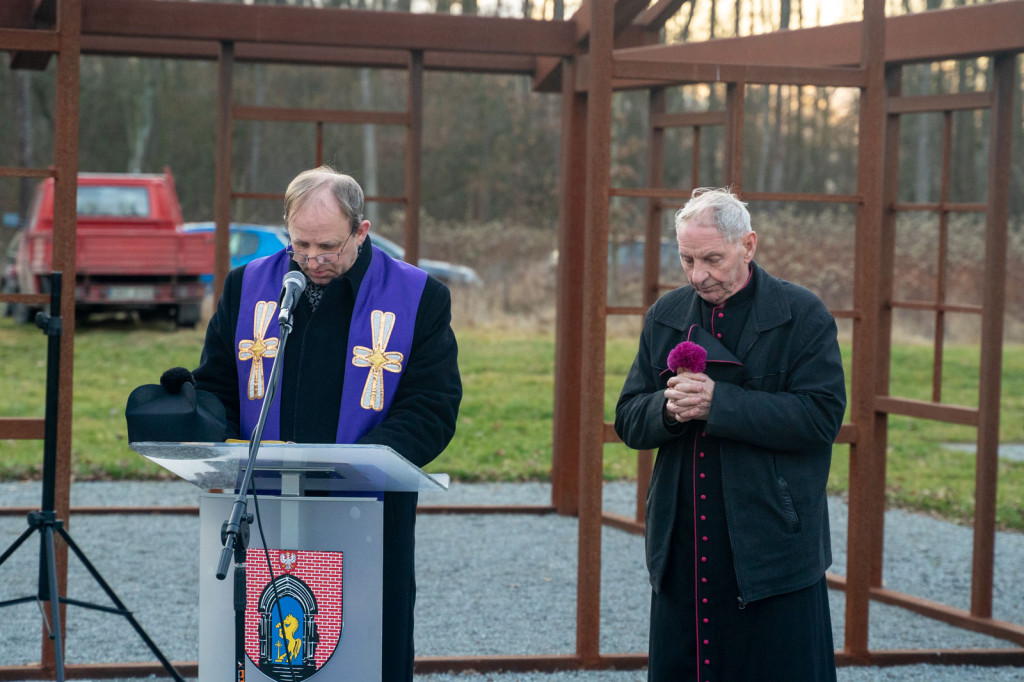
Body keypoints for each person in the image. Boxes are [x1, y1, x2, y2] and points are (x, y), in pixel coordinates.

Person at [192, 165, 462, 681]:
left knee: (364, 645)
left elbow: (432, 405)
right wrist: (189, 411)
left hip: (367, 507)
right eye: (301, 245)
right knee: (271, 647)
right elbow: (220, 386)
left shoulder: (418, 296)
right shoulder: (248, 285)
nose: (313, 260)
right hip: (265, 502)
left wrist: (358, 465)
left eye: (329, 247)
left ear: (361, 231)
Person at [614, 187, 846, 681]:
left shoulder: (802, 314)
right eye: (687, 259)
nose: (699, 275)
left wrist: (721, 403)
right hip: (683, 541)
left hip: (773, 541)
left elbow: (820, 418)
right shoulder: (666, 315)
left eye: (713, 259)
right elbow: (629, 418)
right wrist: (668, 409)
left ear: (749, 245)